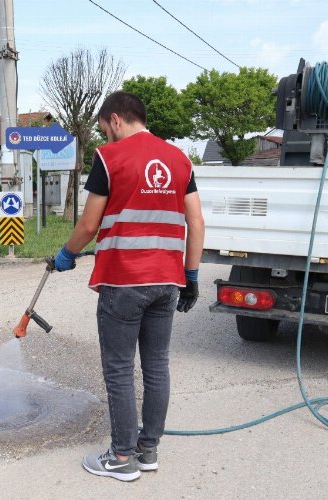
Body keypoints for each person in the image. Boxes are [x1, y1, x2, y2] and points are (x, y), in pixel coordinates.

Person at [53, 91, 205, 482]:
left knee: (119, 370)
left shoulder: (109, 158)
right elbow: (196, 223)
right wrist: (191, 275)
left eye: (104, 129)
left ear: (116, 119)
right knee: (156, 366)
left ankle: (122, 457)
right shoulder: (180, 159)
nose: (105, 137)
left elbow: (88, 225)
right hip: (167, 282)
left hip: (123, 282)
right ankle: (148, 449)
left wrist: (66, 254)